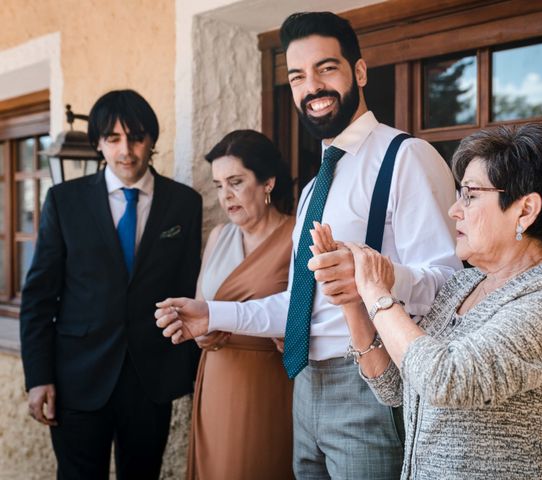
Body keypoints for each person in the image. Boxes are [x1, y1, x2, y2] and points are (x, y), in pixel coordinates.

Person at [156, 11, 461, 478]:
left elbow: (452, 287)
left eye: (326, 68)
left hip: (373, 384)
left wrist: (374, 277)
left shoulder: (407, 157)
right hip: (303, 385)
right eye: (298, 76)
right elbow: (300, 306)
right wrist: (210, 313)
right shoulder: (313, 187)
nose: (311, 86)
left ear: (358, 72)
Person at [320, 123, 542, 479]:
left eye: (469, 195)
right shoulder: (463, 285)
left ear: (525, 210)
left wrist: (377, 291)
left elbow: (444, 380)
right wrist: (352, 298)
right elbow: (396, 387)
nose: (454, 210)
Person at [20, 89, 202, 479]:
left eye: (136, 138)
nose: (126, 151)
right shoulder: (64, 201)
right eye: (114, 139)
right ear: (98, 143)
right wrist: (39, 378)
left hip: (150, 379)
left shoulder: (184, 203)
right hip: (76, 379)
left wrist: (187, 372)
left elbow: (189, 289)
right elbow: (38, 298)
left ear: (151, 140)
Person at [186, 130, 295, 479]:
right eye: (218, 185)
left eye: (235, 182)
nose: (225, 195)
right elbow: (200, 308)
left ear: (268, 183)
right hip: (216, 376)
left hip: (267, 382)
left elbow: (304, 316)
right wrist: (200, 335)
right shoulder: (218, 237)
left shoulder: (297, 237)